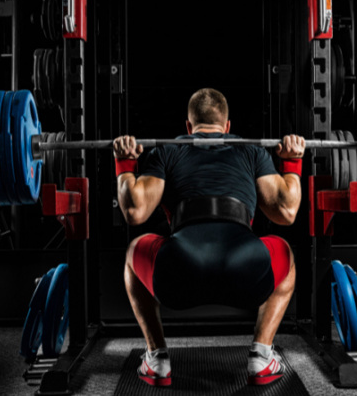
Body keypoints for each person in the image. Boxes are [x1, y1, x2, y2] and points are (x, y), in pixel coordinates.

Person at [113, 88, 304, 387]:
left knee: (134, 250)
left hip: (180, 272)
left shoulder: (168, 150)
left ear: (188, 127)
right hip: (246, 271)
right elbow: (287, 211)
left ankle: (157, 360)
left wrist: (124, 163)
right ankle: (262, 357)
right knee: (285, 255)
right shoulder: (251, 150)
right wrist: (292, 162)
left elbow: (134, 211)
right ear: (228, 126)